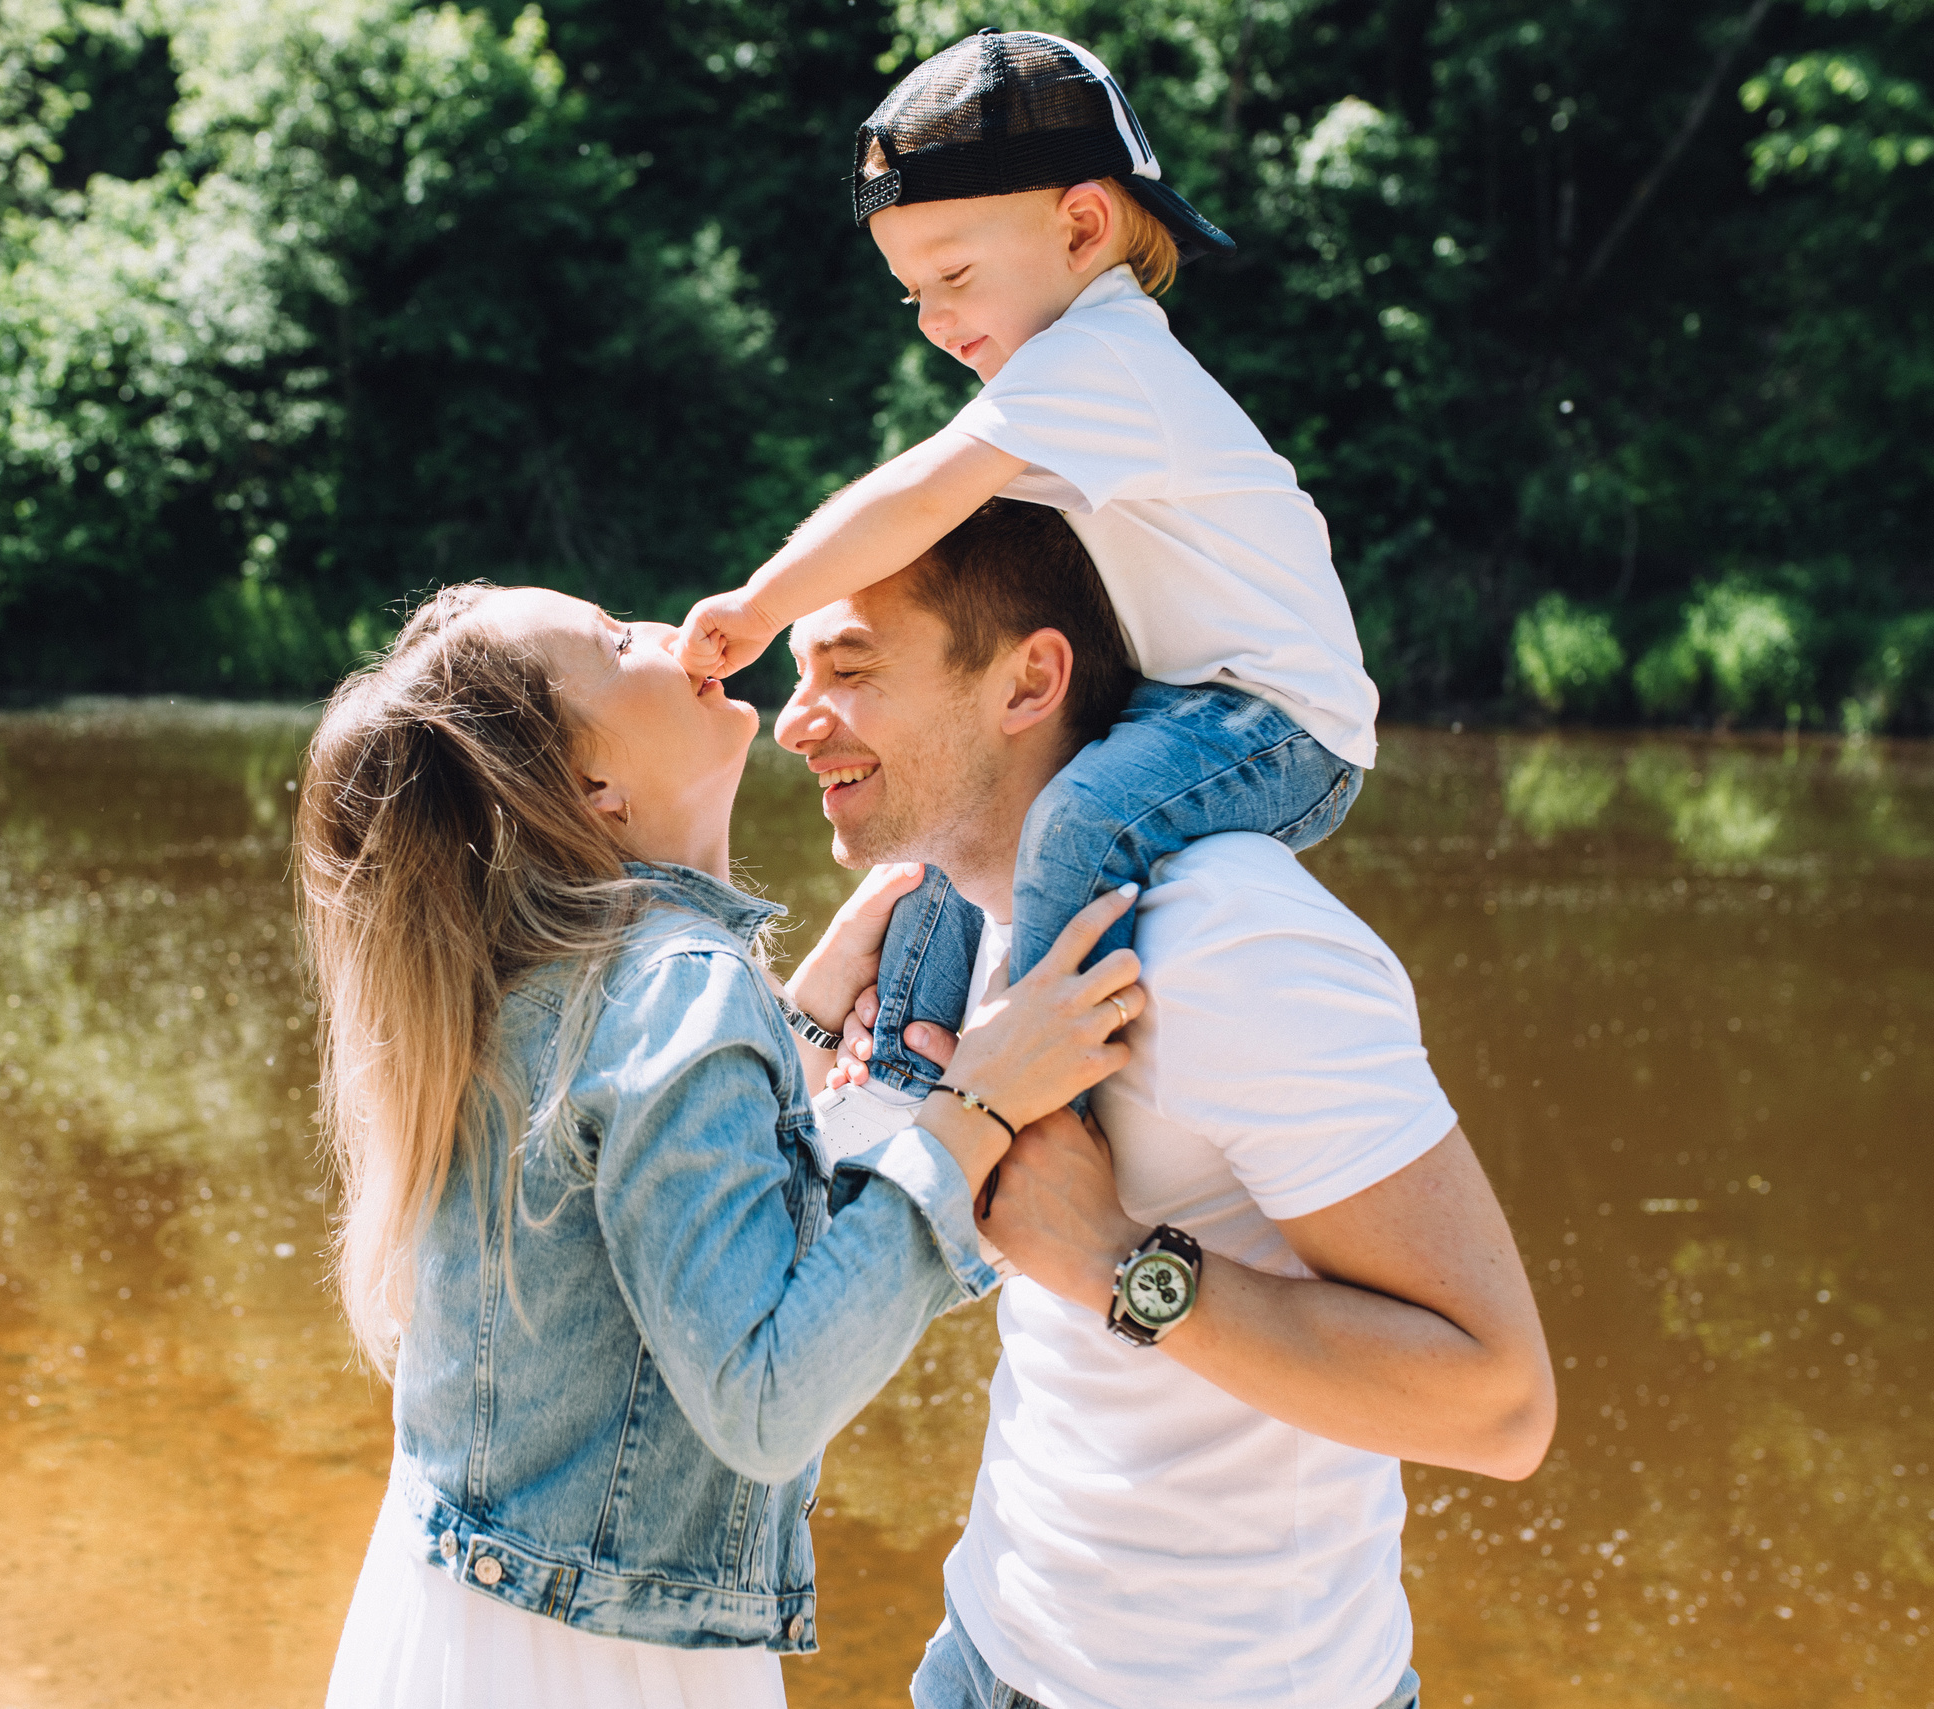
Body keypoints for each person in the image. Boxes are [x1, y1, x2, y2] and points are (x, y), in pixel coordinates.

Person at [297, 582, 1147, 1708]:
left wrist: (791, 1031)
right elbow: (764, 1398)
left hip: (459, 1611)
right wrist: (977, 1110)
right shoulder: (678, 986)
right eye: (615, 640)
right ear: (592, 785)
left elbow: (621, 1247)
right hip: (605, 1661)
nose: (670, 629)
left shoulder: (525, 964)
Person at [777, 501, 1556, 1709]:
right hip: (984, 1650)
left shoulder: (1226, 937)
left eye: (851, 668)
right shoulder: (965, 923)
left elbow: (1498, 1404)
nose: (794, 720)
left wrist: (1112, 1259)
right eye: (795, 674)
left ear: (1030, 678)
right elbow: (800, 1279)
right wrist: (820, 1023)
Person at [674, 29, 1375, 1096]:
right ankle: (903, 1088)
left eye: (952, 276)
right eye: (911, 292)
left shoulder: (1106, 359)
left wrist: (764, 604)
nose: (934, 324)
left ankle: (1027, 1097)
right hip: (1178, 708)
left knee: (1076, 824)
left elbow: (917, 497)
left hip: (1279, 723)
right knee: (955, 836)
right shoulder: (1070, 377)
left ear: (1082, 225)